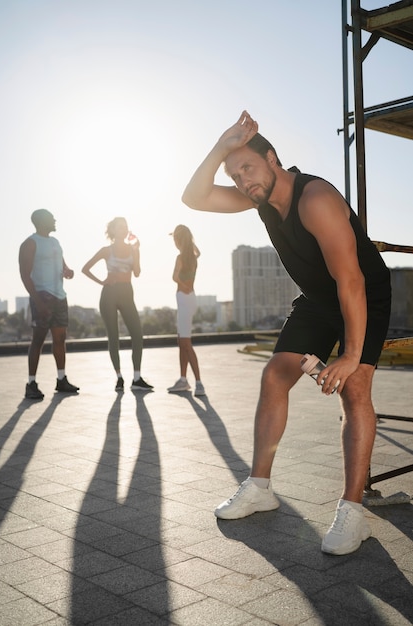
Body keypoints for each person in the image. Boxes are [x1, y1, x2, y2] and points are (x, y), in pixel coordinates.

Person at [181, 111, 391, 555]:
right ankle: (260, 487)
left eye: (248, 168)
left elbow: (351, 280)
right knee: (275, 374)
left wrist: (351, 354)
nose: (242, 180)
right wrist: (221, 147)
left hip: (362, 294)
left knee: (355, 390)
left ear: (273, 159)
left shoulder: (314, 199)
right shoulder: (260, 198)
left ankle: (352, 513)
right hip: (318, 298)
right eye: (235, 174)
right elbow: (194, 198)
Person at [81, 217, 152, 392]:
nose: (124, 229)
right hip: (109, 295)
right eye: (120, 227)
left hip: (127, 293)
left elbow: (136, 273)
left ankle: (137, 378)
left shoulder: (132, 249)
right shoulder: (106, 250)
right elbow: (85, 268)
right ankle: (119, 378)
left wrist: (137, 251)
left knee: (137, 334)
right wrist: (102, 282)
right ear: (113, 231)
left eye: (126, 226)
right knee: (113, 337)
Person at [19, 209, 80, 400]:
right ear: (42, 221)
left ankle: (61, 380)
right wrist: (38, 301)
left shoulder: (55, 242)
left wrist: (68, 270)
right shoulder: (30, 243)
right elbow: (25, 275)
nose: (55, 220)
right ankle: (31, 384)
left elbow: (62, 264)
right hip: (42, 297)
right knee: (38, 340)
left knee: (60, 339)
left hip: (60, 297)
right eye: (51, 218)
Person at [167, 224, 205, 397]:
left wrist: (183, 286)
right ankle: (183, 380)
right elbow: (198, 252)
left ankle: (199, 383)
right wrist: (189, 239)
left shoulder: (180, 257)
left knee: (186, 343)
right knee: (182, 342)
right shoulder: (193, 257)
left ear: (178, 240)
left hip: (184, 298)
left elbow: (175, 277)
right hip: (190, 300)